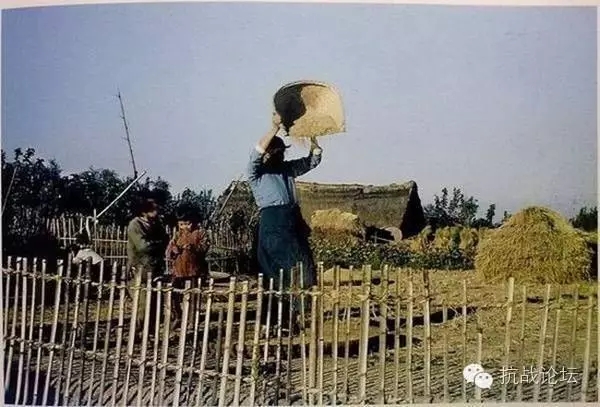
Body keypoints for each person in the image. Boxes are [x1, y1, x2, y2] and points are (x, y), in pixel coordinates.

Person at [247, 111, 323, 333]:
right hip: (273, 226)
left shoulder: (288, 170)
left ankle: (294, 319)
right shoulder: (255, 174)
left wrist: (313, 138)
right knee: (274, 274)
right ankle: (272, 322)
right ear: (267, 154)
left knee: (301, 268)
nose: (278, 156)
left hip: (292, 223)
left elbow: (313, 160)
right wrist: (275, 128)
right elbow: (256, 153)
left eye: (281, 152)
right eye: (274, 152)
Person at [126, 198, 169, 332]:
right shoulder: (135, 225)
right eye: (154, 209)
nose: (157, 212)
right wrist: (158, 243)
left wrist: (157, 244)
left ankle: (150, 332)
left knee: (155, 303)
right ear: (144, 211)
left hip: (155, 268)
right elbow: (143, 246)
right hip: (139, 268)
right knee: (142, 304)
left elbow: (166, 240)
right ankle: (137, 332)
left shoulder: (157, 224)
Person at [165, 210, 210, 329]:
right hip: (178, 270)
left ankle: (192, 320)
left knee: (193, 296)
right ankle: (178, 316)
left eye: (187, 224)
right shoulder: (177, 235)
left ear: (193, 222)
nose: (184, 227)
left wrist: (193, 248)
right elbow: (169, 251)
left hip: (195, 270)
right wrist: (178, 248)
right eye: (181, 224)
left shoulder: (200, 233)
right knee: (174, 294)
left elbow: (204, 248)